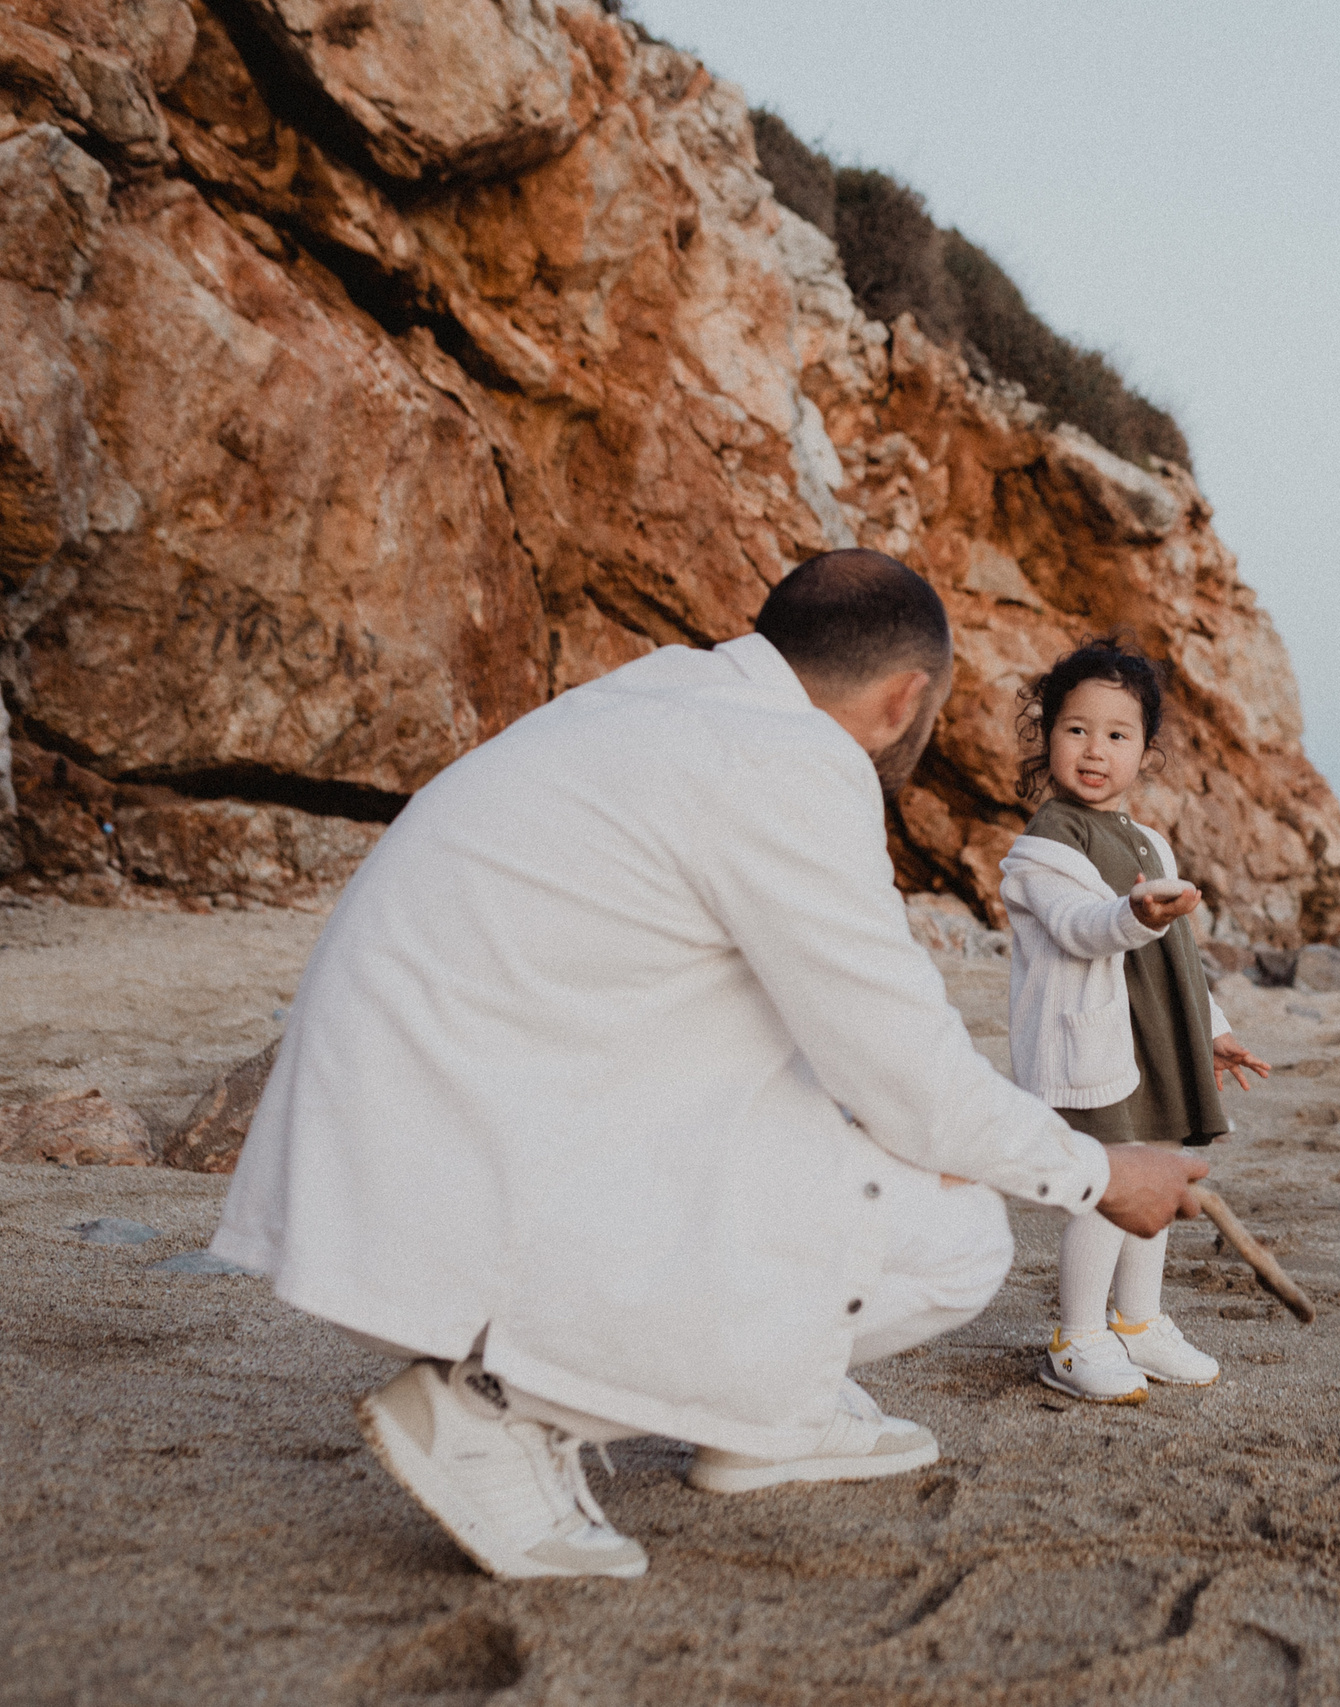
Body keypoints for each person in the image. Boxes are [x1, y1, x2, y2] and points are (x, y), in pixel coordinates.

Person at [210, 551, 1207, 1581]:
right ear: (906, 698)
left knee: (890, 1147)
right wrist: (1099, 1174)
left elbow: (820, 1035)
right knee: (952, 1238)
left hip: (410, 1121)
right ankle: (494, 1409)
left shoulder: (662, 696)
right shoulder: (788, 763)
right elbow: (903, 1063)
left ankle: (770, 1410)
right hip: (453, 1152)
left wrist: (921, 1131)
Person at [997, 639, 1272, 1403]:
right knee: (1110, 1181)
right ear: (1048, 736)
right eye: (1076, 729)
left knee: (1158, 1169)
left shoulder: (1150, 841)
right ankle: (1077, 1334)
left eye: (1117, 735)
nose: (1095, 750)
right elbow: (1082, 926)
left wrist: (1211, 1026)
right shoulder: (1042, 846)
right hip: (1091, 1045)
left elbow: (1179, 954)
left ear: (1146, 752)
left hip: (1157, 1040)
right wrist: (1132, 911)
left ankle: (1139, 1321)